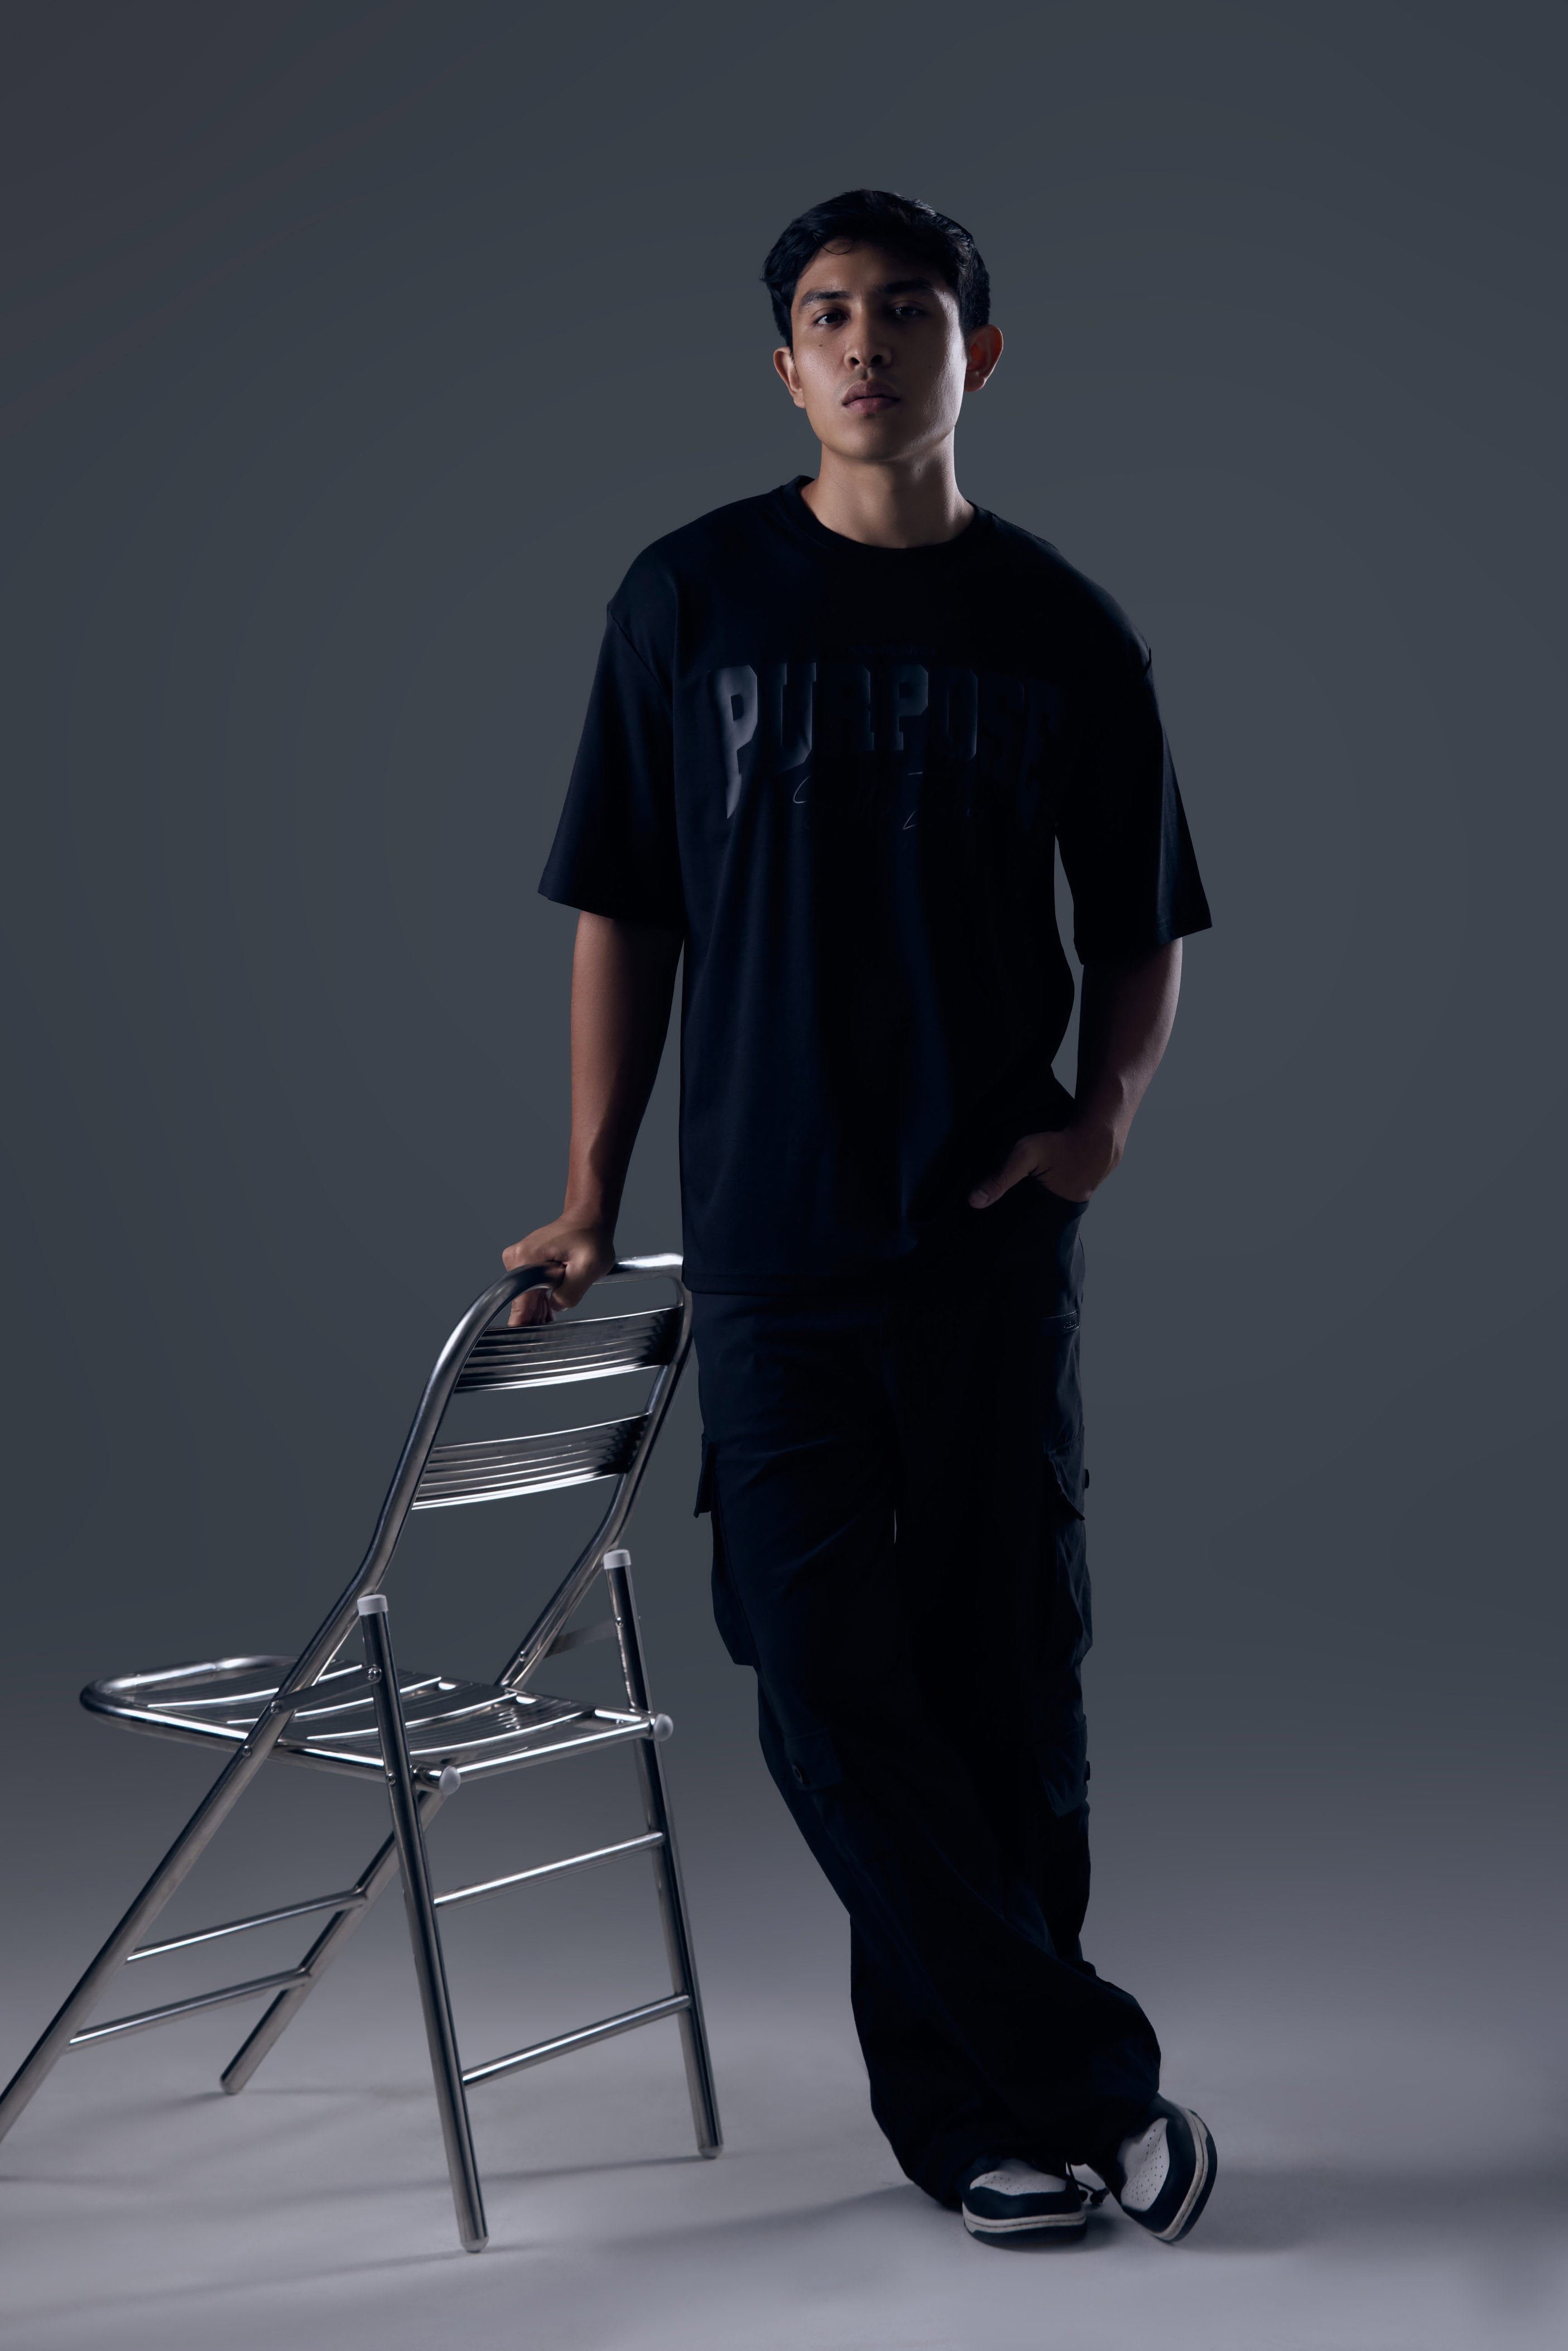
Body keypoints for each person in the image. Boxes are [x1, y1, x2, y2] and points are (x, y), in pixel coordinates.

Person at [503, 189, 1216, 2248]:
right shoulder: (690, 598)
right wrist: (587, 1193)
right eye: (827, 315)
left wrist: (1099, 1126)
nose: (865, 344)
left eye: (907, 311)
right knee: (818, 1674)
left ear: (973, 355)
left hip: (984, 1242)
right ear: (785, 364)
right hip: (772, 1246)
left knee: (1006, 1687)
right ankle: (1086, 2086)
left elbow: (1144, 921)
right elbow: (623, 908)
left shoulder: (1062, 627)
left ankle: (974, 2129)